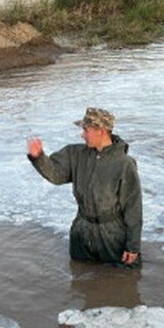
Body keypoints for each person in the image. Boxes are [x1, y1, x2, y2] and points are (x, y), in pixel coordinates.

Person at [27, 107, 142, 267]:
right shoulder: (75, 153)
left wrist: (133, 246)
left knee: (123, 279)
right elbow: (56, 175)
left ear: (101, 131)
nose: (82, 135)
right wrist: (38, 157)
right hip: (81, 230)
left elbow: (133, 208)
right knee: (79, 278)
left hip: (112, 235)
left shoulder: (125, 164)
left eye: (86, 130)